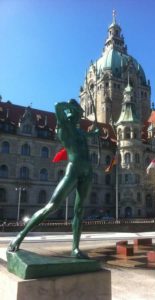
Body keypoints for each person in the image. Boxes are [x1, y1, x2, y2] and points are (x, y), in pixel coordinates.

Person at [8, 99, 98, 258]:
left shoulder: (79, 131)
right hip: (74, 169)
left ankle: (75, 249)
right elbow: (57, 106)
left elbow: (88, 134)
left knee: (79, 210)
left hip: (87, 171)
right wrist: (71, 107)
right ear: (71, 114)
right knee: (52, 206)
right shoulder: (64, 127)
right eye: (79, 114)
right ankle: (20, 236)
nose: (80, 117)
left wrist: (94, 133)